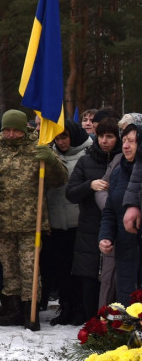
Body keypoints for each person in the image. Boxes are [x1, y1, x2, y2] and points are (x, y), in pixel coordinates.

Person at [0, 110, 66, 330]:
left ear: (24, 129)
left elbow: (60, 179)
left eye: (15, 130)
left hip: (31, 224)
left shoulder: (38, 150)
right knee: (9, 270)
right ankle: (13, 308)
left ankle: (31, 311)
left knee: (30, 268)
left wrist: (52, 162)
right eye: (7, 130)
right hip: (2, 223)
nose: (10, 134)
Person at [66, 117, 121, 322]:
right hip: (89, 228)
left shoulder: (124, 162)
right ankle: (92, 323)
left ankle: (111, 324)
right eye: (101, 136)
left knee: (112, 281)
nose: (104, 141)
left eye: (110, 136)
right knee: (89, 279)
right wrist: (90, 185)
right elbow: (70, 193)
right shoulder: (85, 160)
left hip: (115, 228)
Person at [43, 121, 90, 324]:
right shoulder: (50, 156)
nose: (61, 142)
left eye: (65, 137)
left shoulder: (87, 155)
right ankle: (66, 306)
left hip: (78, 222)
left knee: (77, 270)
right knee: (60, 268)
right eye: (58, 138)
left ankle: (80, 307)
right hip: (56, 222)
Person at [100, 123, 141, 303]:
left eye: (131, 141)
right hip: (125, 251)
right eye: (124, 141)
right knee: (128, 299)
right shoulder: (118, 173)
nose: (125, 146)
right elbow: (110, 211)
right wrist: (105, 236)